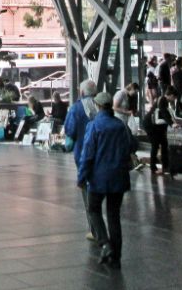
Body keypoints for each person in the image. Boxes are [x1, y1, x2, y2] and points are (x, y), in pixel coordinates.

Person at [78, 90, 137, 269]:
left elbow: (87, 155)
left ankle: (104, 243)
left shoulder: (94, 126)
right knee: (114, 216)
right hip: (119, 177)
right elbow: (132, 145)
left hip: (99, 178)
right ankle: (116, 257)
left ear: (97, 106)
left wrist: (81, 177)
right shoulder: (120, 125)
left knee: (93, 209)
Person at [64, 80, 98, 242]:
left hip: (82, 153)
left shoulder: (76, 109)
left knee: (87, 190)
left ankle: (94, 229)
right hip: (101, 154)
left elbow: (69, 129)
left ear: (82, 92)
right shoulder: (101, 106)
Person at [146, 87, 176, 176]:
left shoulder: (163, 100)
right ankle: (153, 167)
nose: (174, 99)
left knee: (164, 144)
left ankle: (165, 165)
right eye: (174, 97)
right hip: (151, 125)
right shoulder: (162, 100)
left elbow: (164, 115)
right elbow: (163, 113)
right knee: (155, 145)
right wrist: (171, 123)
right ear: (171, 95)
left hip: (157, 126)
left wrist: (170, 124)